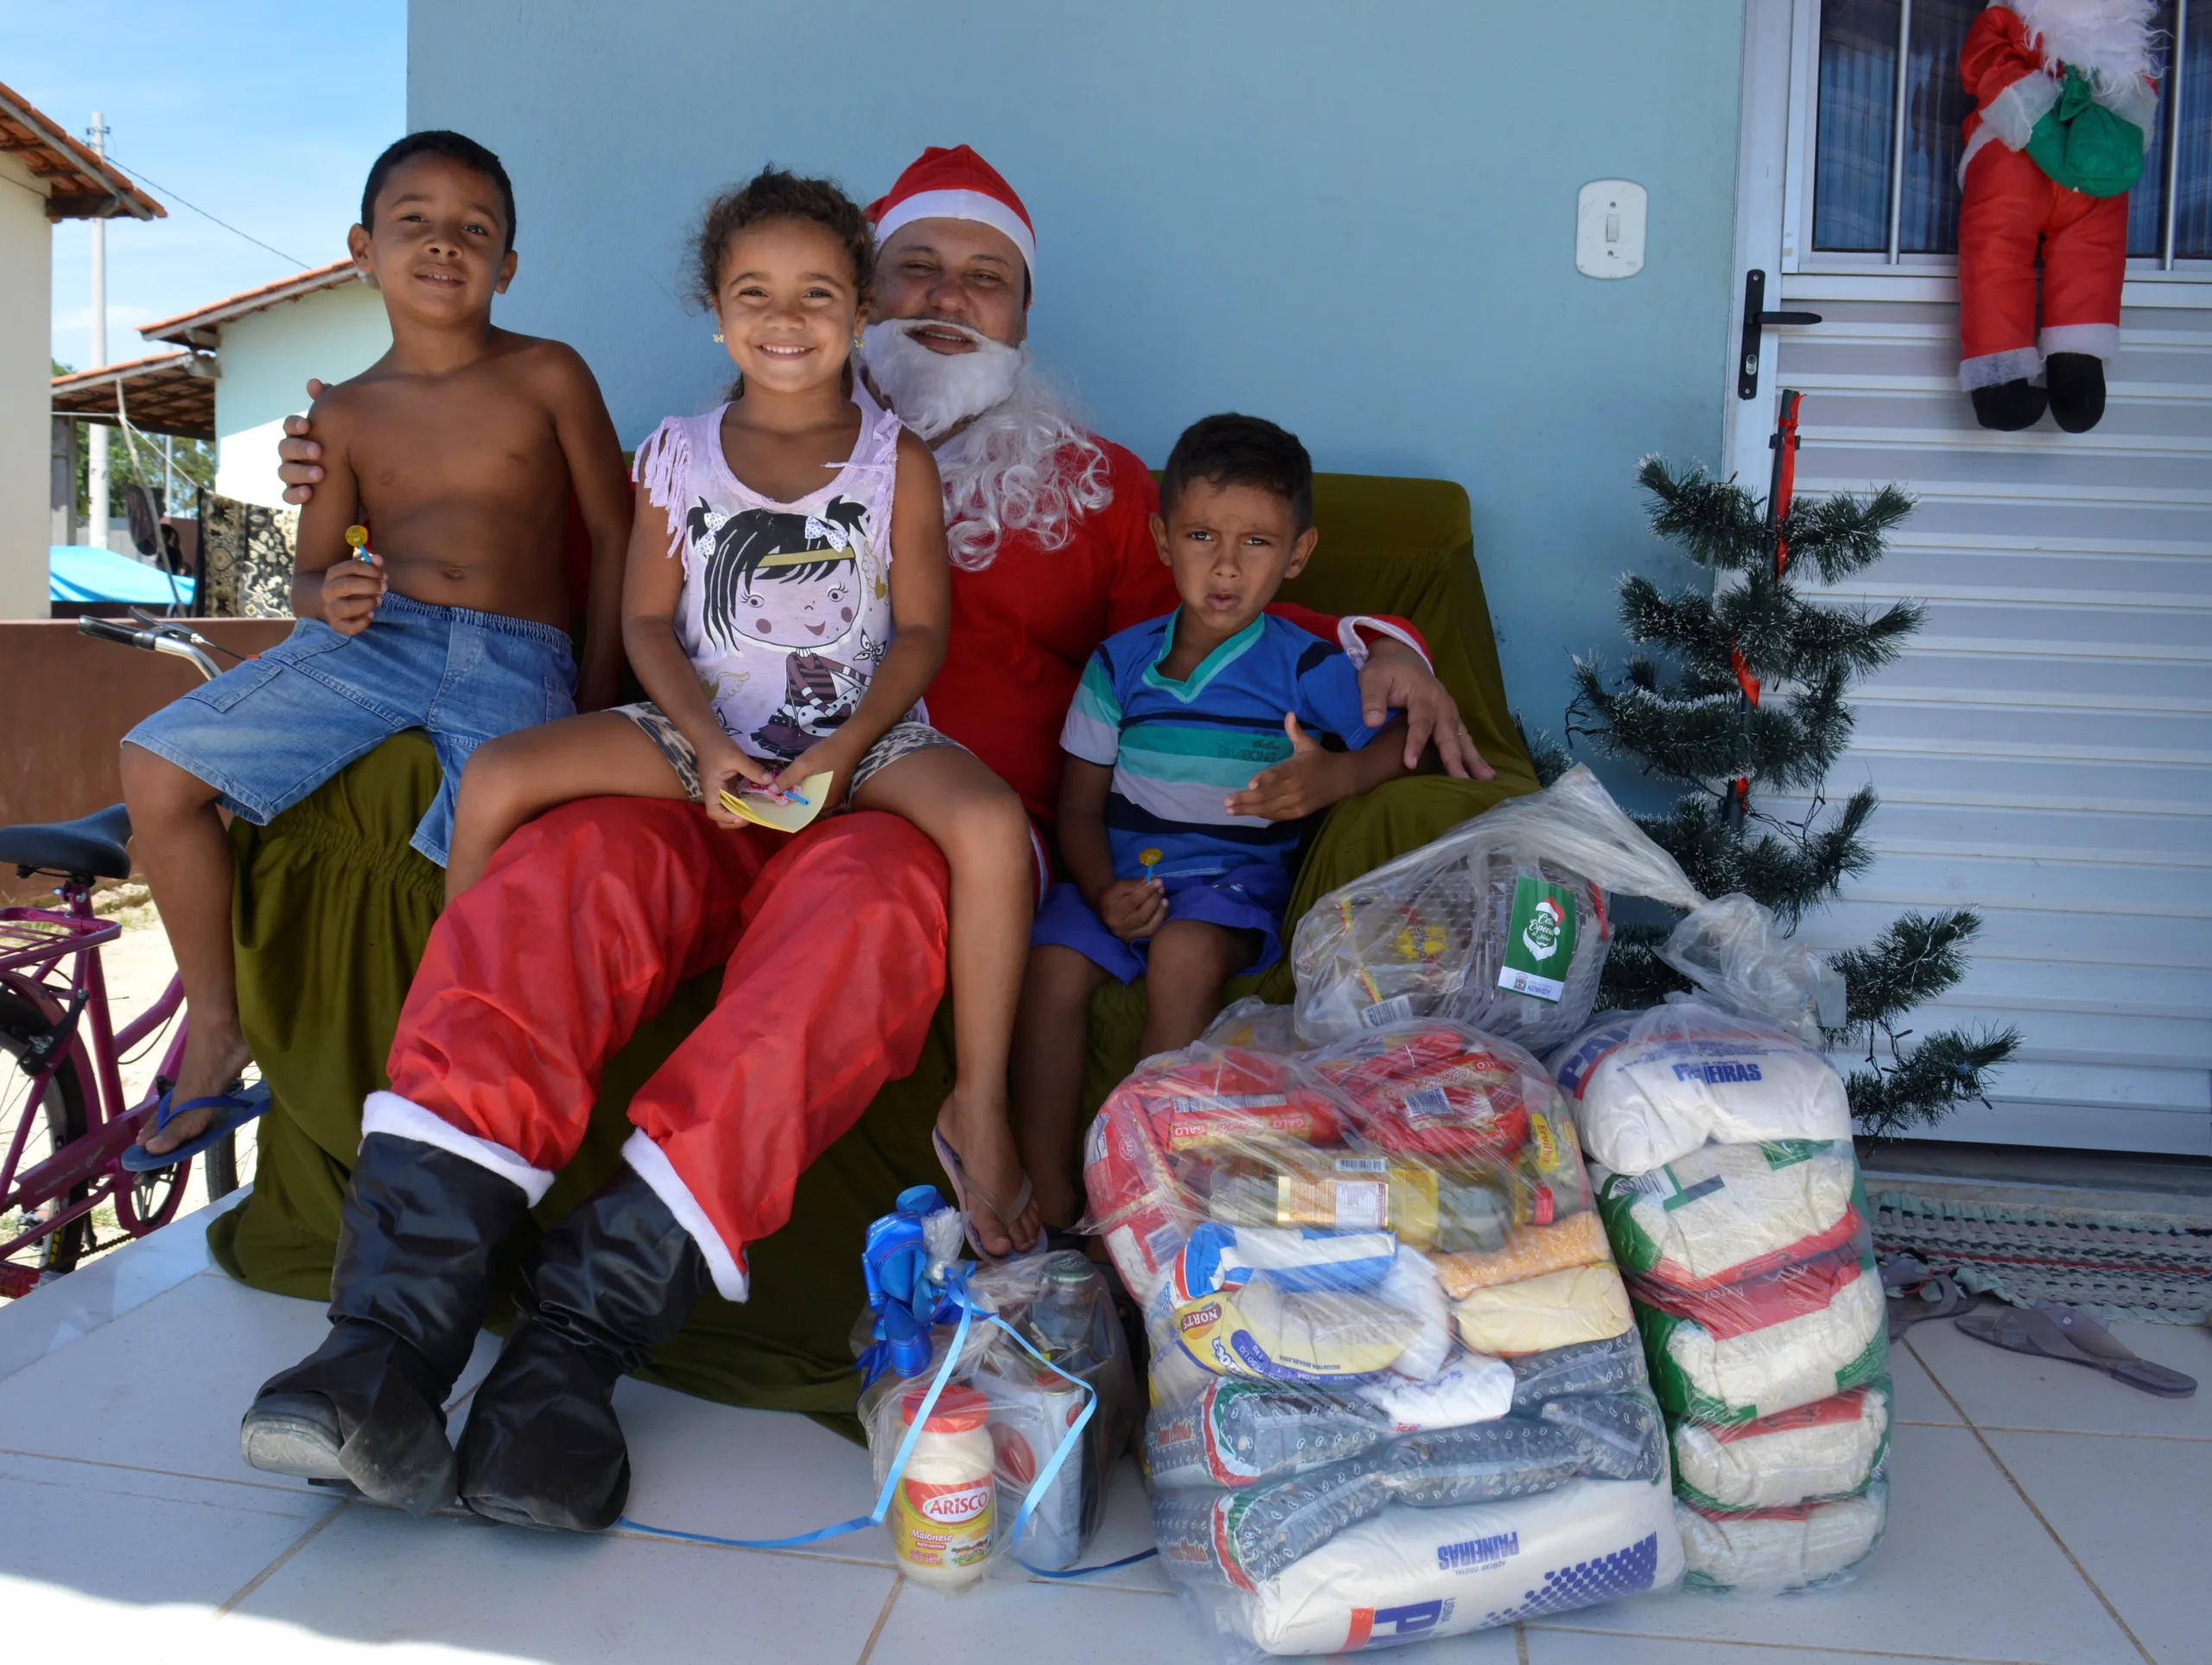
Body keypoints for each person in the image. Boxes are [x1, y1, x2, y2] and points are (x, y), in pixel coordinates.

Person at [244, 144, 1490, 1535]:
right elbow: (560, 550)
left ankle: (567, 1357)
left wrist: (1393, 654)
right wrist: (332, 474)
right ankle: (385, 1342)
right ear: (835, 301)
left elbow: (1243, 598)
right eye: (919, 268)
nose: (949, 298)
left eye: (989, 278)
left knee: (869, 930)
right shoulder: (701, 446)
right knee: (562, 872)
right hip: (694, 783)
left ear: (1023, 317)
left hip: (889, 819)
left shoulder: (1091, 488)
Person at [445, 168, 1041, 1255]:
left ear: (861, 314)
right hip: (700, 728)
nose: (784, 319)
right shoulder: (675, 455)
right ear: (715, 312)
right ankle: (449, 1072)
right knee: (494, 776)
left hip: (860, 737)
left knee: (994, 827)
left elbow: (916, 634)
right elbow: (645, 627)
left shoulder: (890, 461)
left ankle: (982, 1107)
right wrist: (709, 744)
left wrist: (846, 747)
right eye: (754, 293)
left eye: (817, 294)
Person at [118, 130, 630, 1165]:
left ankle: (450, 1126)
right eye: (415, 223)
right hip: (378, 642)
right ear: (362, 247)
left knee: (478, 885)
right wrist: (333, 592)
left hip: (520, 654)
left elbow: (617, 534)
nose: (445, 245)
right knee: (152, 765)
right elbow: (310, 579)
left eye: (474, 229)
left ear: (509, 265)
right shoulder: (342, 412)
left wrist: (599, 696)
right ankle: (217, 1029)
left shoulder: (549, 373)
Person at [1013, 415, 1417, 1225]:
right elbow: (1081, 805)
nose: (1226, 565)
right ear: (1164, 540)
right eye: (1202, 535)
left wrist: (1338, 774)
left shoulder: (1304, 666)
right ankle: (1045, 1194)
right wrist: (1098, 890)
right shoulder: (1119, 664)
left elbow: (1411, 737)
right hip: (1118, 875)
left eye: (1258, 543)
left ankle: (1142, 1190)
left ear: (1298, 554)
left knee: (1184, 951)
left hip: (1228, 885)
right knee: (1051, 966)